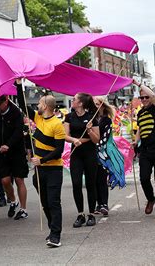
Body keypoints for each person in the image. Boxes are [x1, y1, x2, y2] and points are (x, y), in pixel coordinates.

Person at [17, 82, 66, 247]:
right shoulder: (37, 117)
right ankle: (53, 228)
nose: (37, 105)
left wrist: (42, 160)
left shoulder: (57, 124)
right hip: (40, 171)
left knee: (53, 202)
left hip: (53, 169)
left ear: (45, 106)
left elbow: (59, 151)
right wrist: (19, 85)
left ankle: (55, 235)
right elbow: (22, 104)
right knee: (44, 202)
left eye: (39, 103)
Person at [64, 93, 100, 228]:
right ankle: (80, 214)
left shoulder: (92, 118)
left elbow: (96, 140)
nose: (72, 101)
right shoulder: (69, 117)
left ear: (80, 103)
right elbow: (65, 136)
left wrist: (89, 131)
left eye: (74, 99)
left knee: (91, 184)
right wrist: (75, 140)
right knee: (76, 183)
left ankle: (91, 214)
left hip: (90, 154)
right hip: (76, 155)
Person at [133, 80, 155, 219]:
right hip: (146, 151)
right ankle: (151, 199)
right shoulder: (140, 113)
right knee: (144, 178)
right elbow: (140, 128)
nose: (145, 99)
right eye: (142, 97)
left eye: (146, 97)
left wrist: (138, 84)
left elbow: (153, 95)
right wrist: (136, 141)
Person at [93, 97, 122, 217]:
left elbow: (104, 138)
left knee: (101, 178)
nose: (95, 106)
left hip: (103, 152)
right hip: (91, 153)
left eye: (97, 104)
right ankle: (97, 204)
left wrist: (96, 145)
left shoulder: (107, 121)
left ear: (103, 106)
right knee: (93, 180)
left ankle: (104, 204)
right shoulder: (91, 118)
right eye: (93, 104)